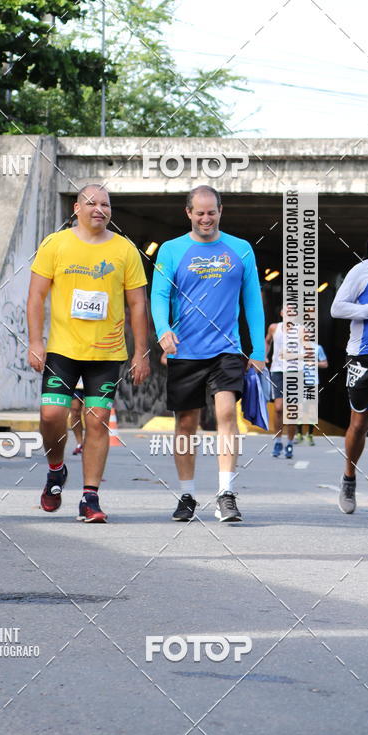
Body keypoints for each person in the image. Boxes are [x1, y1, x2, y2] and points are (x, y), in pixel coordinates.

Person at [27, 183, 150, 523]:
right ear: (76, 209)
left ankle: (89, 498)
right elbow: (36, 295)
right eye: (92, 203)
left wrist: (141, 352)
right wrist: (35, 341)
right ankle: (56, 469)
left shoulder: (124, 249)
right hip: (63, 350)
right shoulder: (55, 244)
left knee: (97, 421)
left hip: (107, 353)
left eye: (106, 204)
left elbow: (138, 303)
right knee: (51, 415)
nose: (100, 209)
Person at [151, 185, 265, 523]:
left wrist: (258, 349)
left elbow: (252, 301)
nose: (205, 218)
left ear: (220, 210)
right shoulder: (171, 250)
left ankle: (226, 494)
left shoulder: (241, 250)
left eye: (211, 212)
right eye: (199, 213)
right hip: (185, 350)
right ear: (188, 213)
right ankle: (187, 495)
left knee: (226, 413)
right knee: (186, 423)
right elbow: (158, 294)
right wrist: (163, 330)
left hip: (226, 348)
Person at [331, 218, 368, 518]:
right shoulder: (362, 271)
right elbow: (337, 308)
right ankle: (349, 477)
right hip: (363, 357)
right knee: (359, 424)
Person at [265, 307, 298, 459]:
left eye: (292, 311)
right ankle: (278, 441)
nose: (289, 313)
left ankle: (290, 443)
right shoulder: (274, 327)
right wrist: (264, 355)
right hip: (277, 370)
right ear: (282, 313)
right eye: (287, 311)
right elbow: (267, 342)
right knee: (278, 408)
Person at [295, 342, 328, 444]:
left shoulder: (318, 348)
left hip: (313, 382)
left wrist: (314, 363)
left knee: (312, 409)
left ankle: (310, 434)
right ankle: (299, 434)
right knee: (299, 407)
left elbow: (325, 364)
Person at [70, 381, 85, 455]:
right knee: (74, 411)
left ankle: (90, 442)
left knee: (88, 412)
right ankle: (80, 444)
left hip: (90, 381)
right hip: (75, 382)